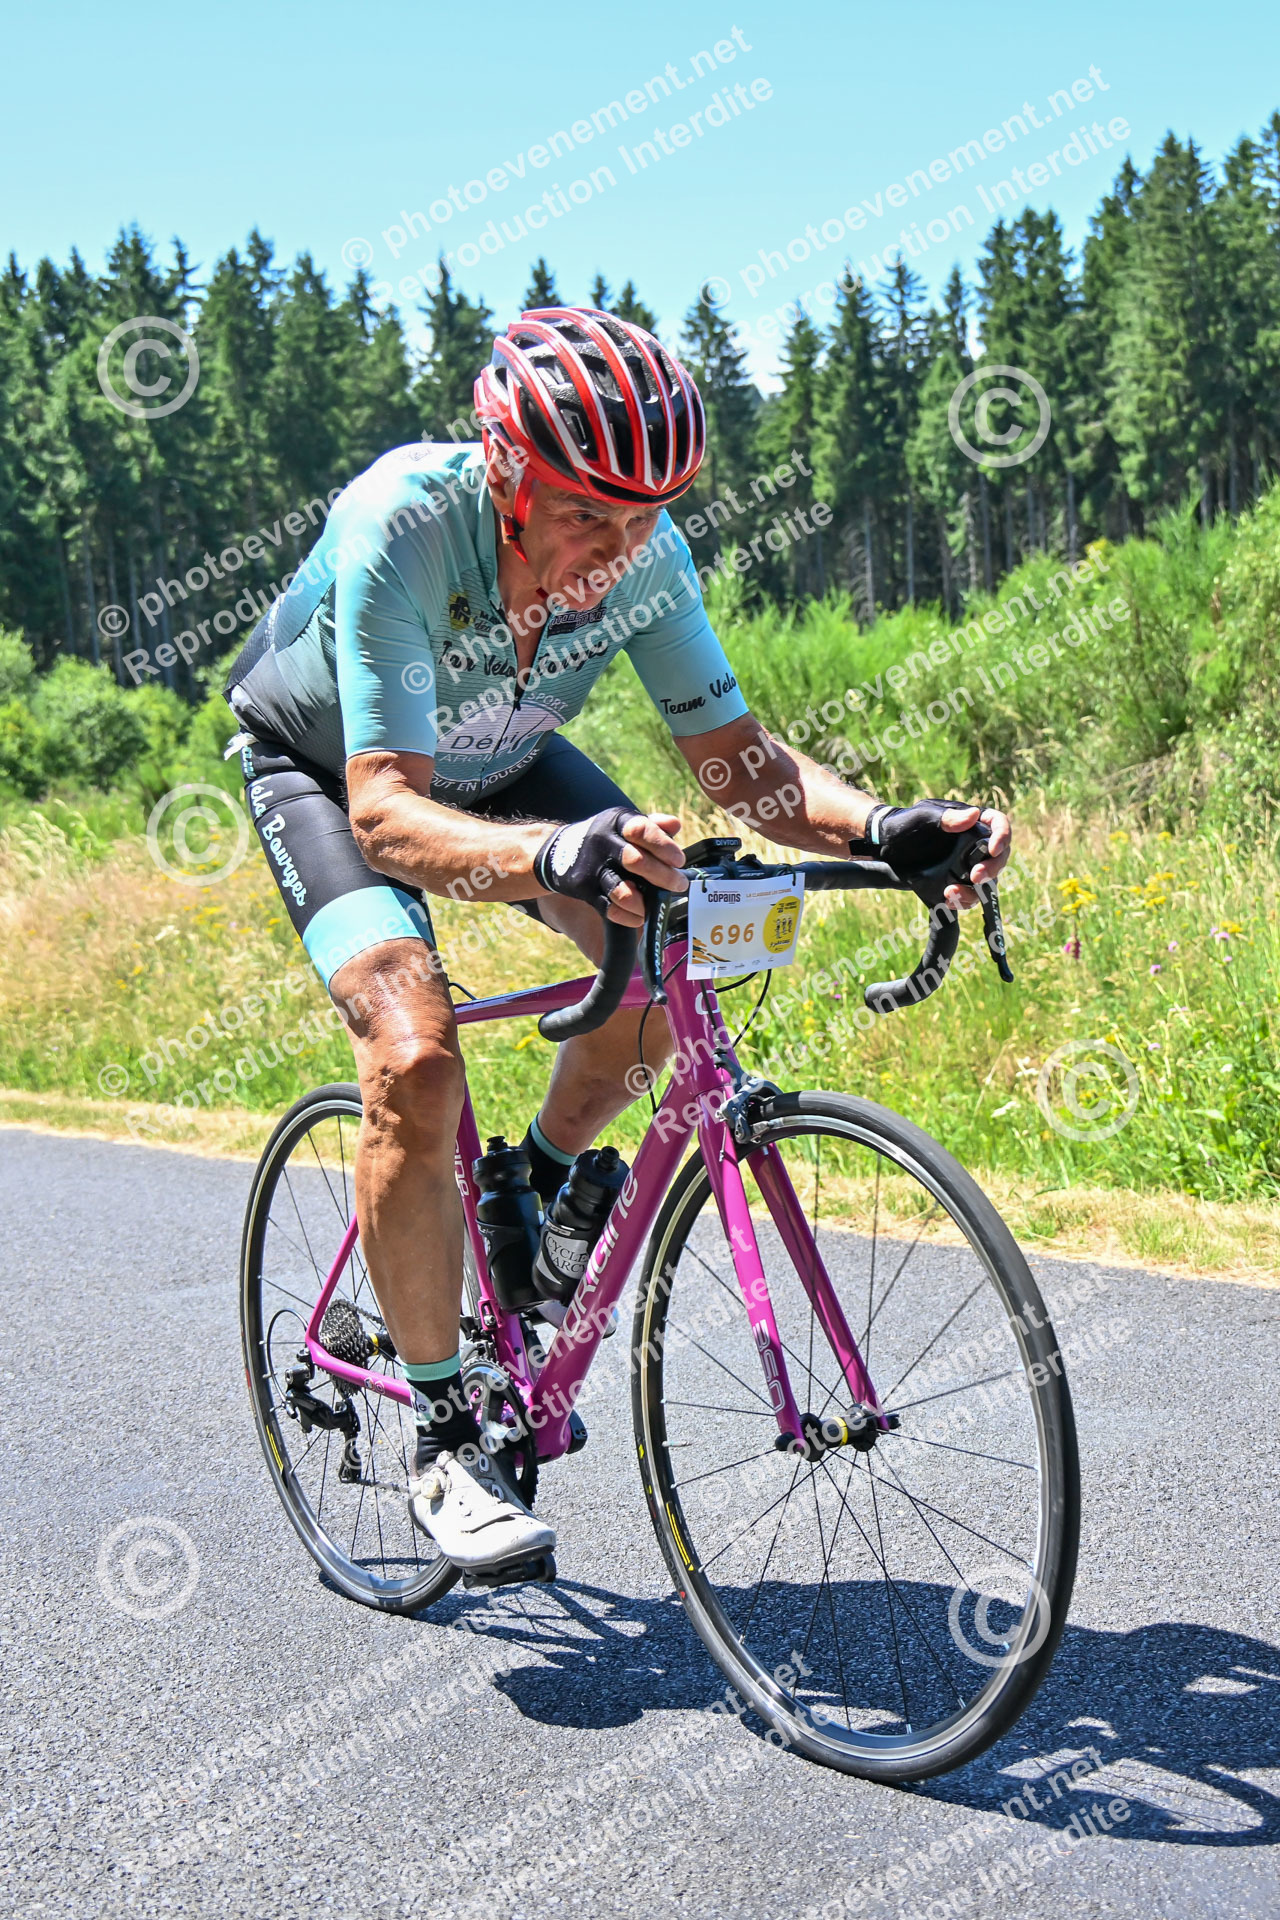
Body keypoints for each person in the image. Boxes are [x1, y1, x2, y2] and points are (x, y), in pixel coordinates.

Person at [224, 305, 1010, 1574]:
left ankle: (528, 1193)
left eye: (646, 518)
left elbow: (740, 766)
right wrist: (545, 857)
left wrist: (880, 830)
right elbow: (384, 810)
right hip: (332, 774)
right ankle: (443, 1436)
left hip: (505, 762)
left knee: (663, 956)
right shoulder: (402, 526)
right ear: (507, 472)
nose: (618, 550)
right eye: (589, 515)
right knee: (414, 1054)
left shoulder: (645, 556)